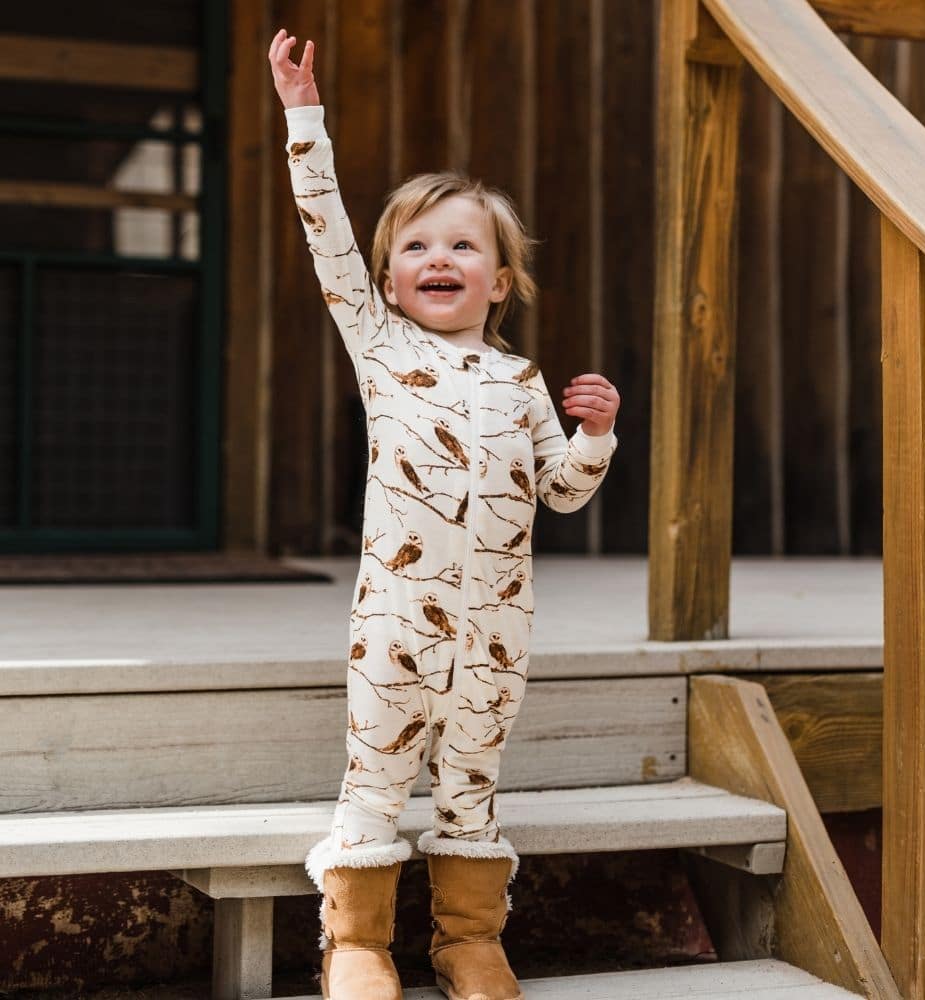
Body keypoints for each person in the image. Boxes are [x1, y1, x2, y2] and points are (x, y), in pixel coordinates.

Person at [268, 27, 621, 1000]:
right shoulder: (378, 346)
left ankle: (469, 938)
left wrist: (593, 437)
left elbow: (562, 489)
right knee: (376, 775)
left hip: (497, 630)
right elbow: (324, 231)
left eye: (463, 245)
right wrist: (307, 119)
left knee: (471, 781)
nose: (438, 257)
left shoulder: (520, 379)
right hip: (394, 624)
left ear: (498, 281)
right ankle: (357, 943)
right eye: (414, 246)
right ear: (382, 282)